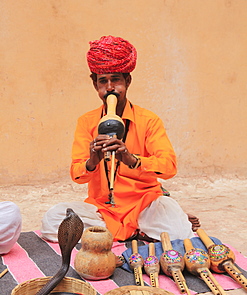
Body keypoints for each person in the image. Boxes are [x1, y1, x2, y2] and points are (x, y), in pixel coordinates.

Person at [41, 35, 200, 245]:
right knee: (52, 221)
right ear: (94, 83)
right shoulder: (86, 122)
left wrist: (131, 159)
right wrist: (92, 161)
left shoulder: (149, 120)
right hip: (103, 209)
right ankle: (140, 232)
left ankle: (143, 226)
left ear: (127, 81)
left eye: (115, 79)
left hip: (144, 205)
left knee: (180, 232)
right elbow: (77, 175)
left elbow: (169, 167)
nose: (109, 88)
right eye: (102, 81)